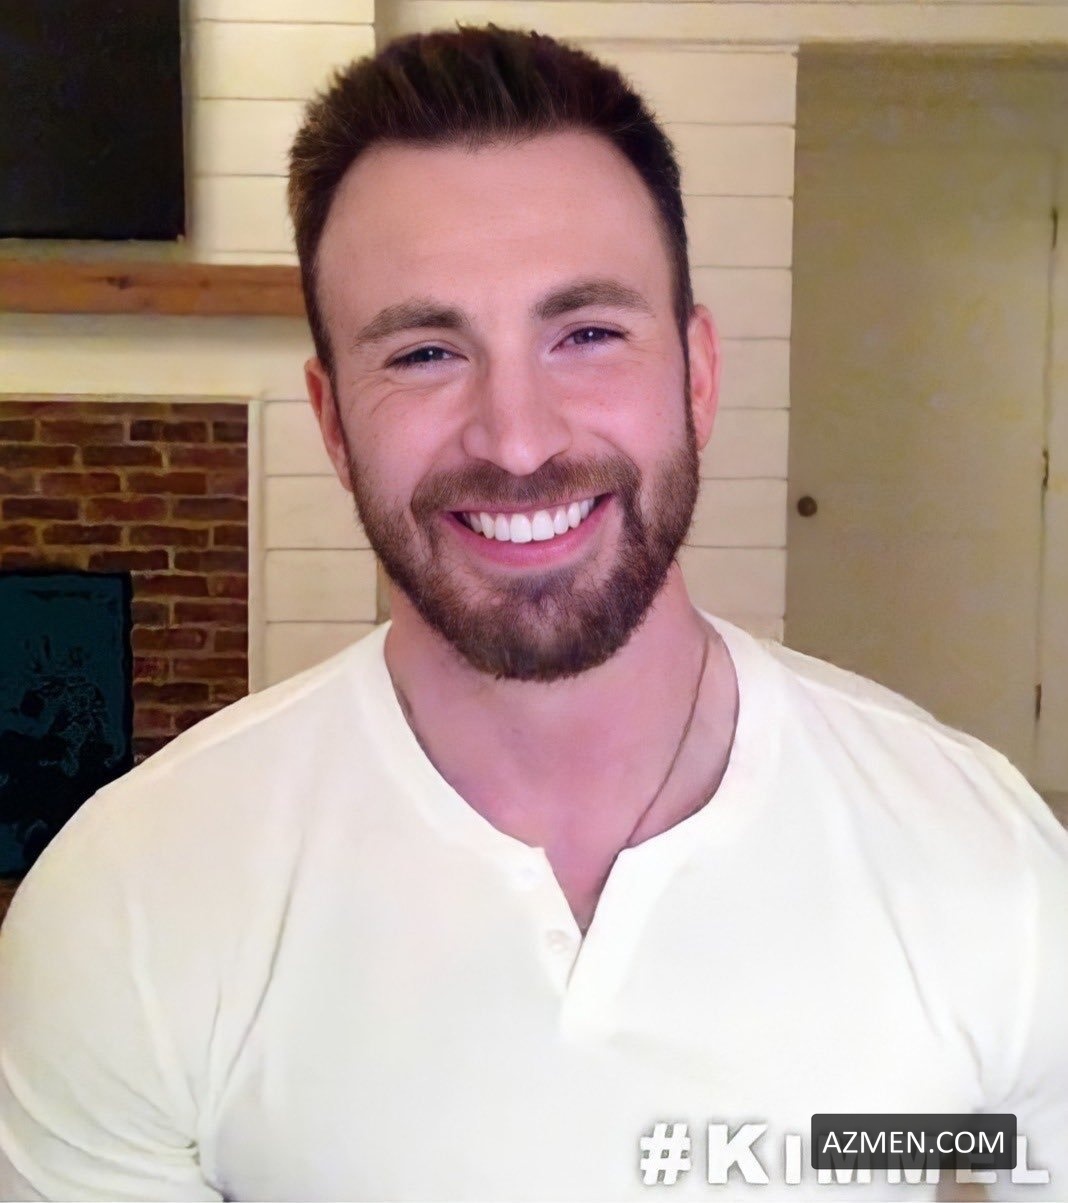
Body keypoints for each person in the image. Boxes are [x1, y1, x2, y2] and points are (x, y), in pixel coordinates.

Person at [0, 25, 1065, 1202]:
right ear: (334, 421)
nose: (517, 439)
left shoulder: (983, 864)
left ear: (699, 376)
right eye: (424, 352)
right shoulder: (131, 904)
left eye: (588, 335)